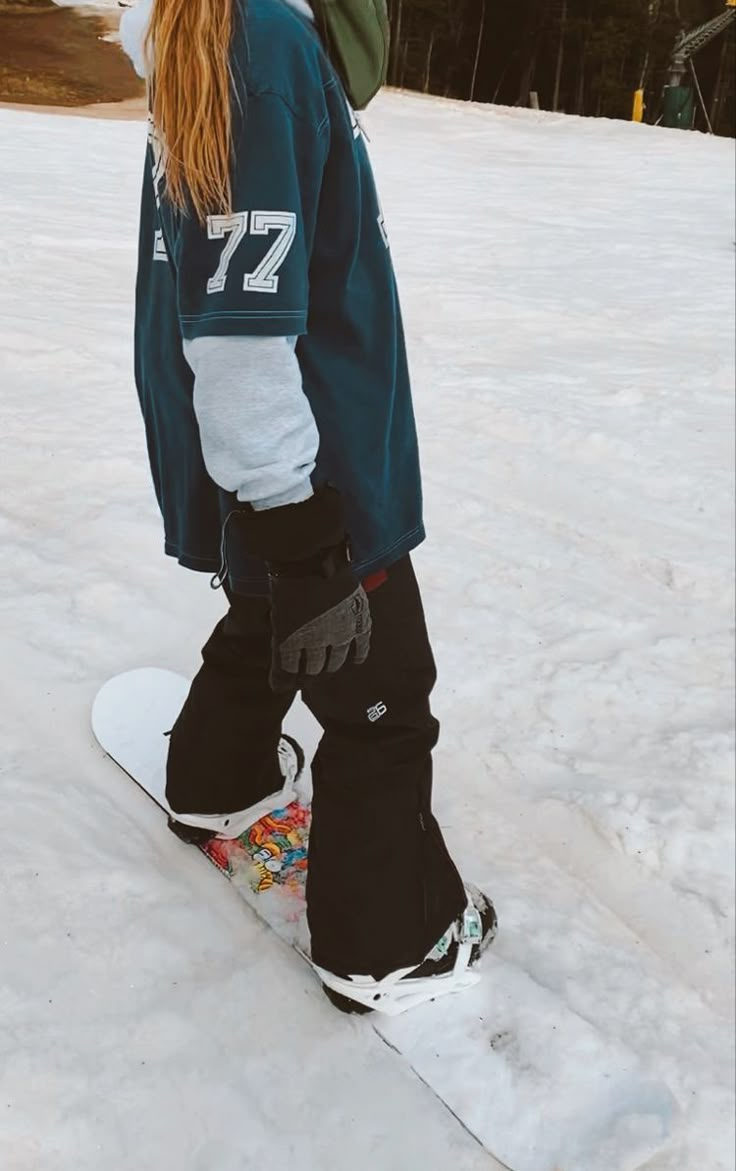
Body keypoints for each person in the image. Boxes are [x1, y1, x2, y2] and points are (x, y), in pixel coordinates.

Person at [121, 0, 496, 1015]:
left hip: (272, 458)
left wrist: (276, 532)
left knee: (268, 609)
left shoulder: (228, 30)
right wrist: (300, 525)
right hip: (309, 463)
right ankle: (386, 942)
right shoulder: (263, 43)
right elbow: (239, 334)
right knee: (385, 707)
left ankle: (217, 778)